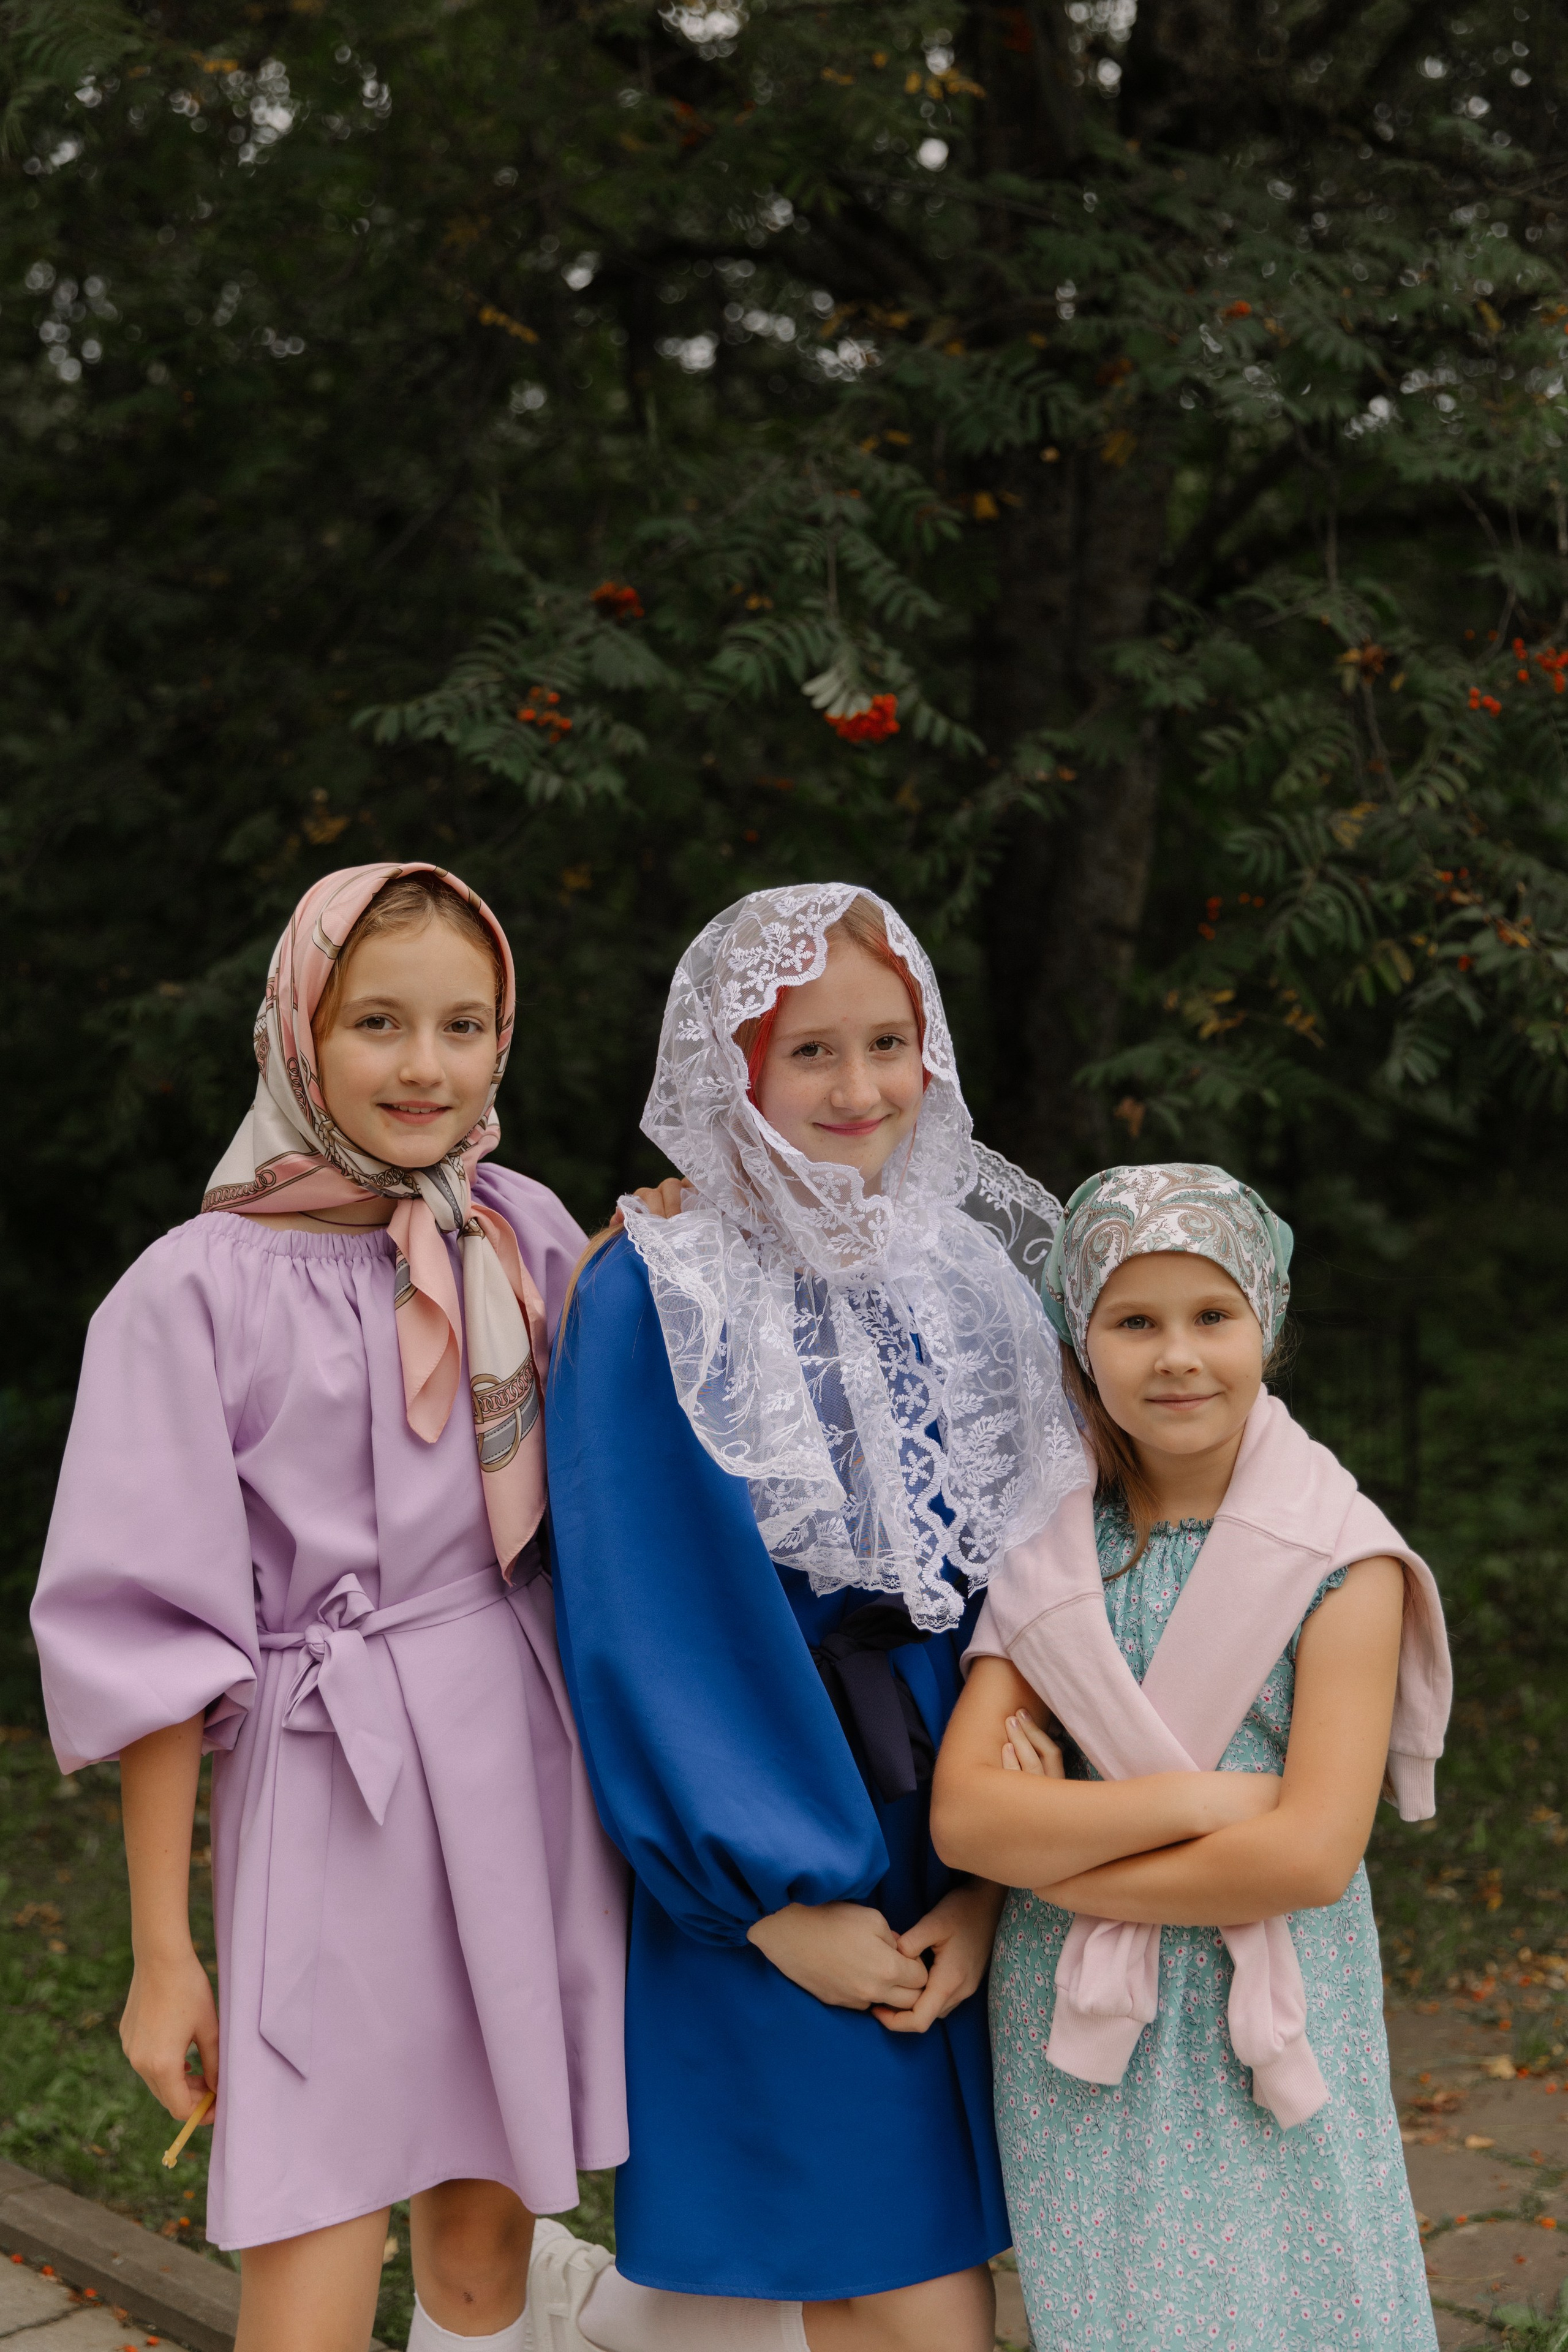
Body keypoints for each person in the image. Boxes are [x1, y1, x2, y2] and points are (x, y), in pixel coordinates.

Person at [31, 863, 628, 2352]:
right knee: (309, 2231)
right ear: (297, 1031)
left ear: (504, 1041)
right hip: (324, 1771)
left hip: (520, 1756)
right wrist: (164, 1953)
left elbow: (631, 1463)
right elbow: (151, 1645)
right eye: (377, 1021)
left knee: (488, 2236)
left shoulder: (526, 1236)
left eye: (463, 1024)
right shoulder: (189, 1293)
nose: (424, 1066)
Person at [540, 883, 1087, 2352]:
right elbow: (651, 1623)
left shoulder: (970, 1272)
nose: (858, 1091)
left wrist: (990, 1876)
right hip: (777, 1819)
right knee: (908, 2289)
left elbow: (1036, 1588)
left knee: (869, 2279)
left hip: (958, 1811)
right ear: (734, 1073)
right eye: (809, 1054)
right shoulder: (657, 1291)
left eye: (887, 1043)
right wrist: (771, 1902)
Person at [933, 1161, 1450, 2351]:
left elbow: (1310, 1856)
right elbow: (965, 1821)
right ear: (1082, 1341)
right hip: (1074, 2029)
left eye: (1209, 1316)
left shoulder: (1338, 1560)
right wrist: (1213, 1800)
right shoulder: (1050, 1552)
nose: (1175, 1355)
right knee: (1118, 2309)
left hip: (1264, 1998)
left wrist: (1054, 1870)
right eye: (1133, 1321)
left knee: (1300, 2297)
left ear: (1261, 1323)